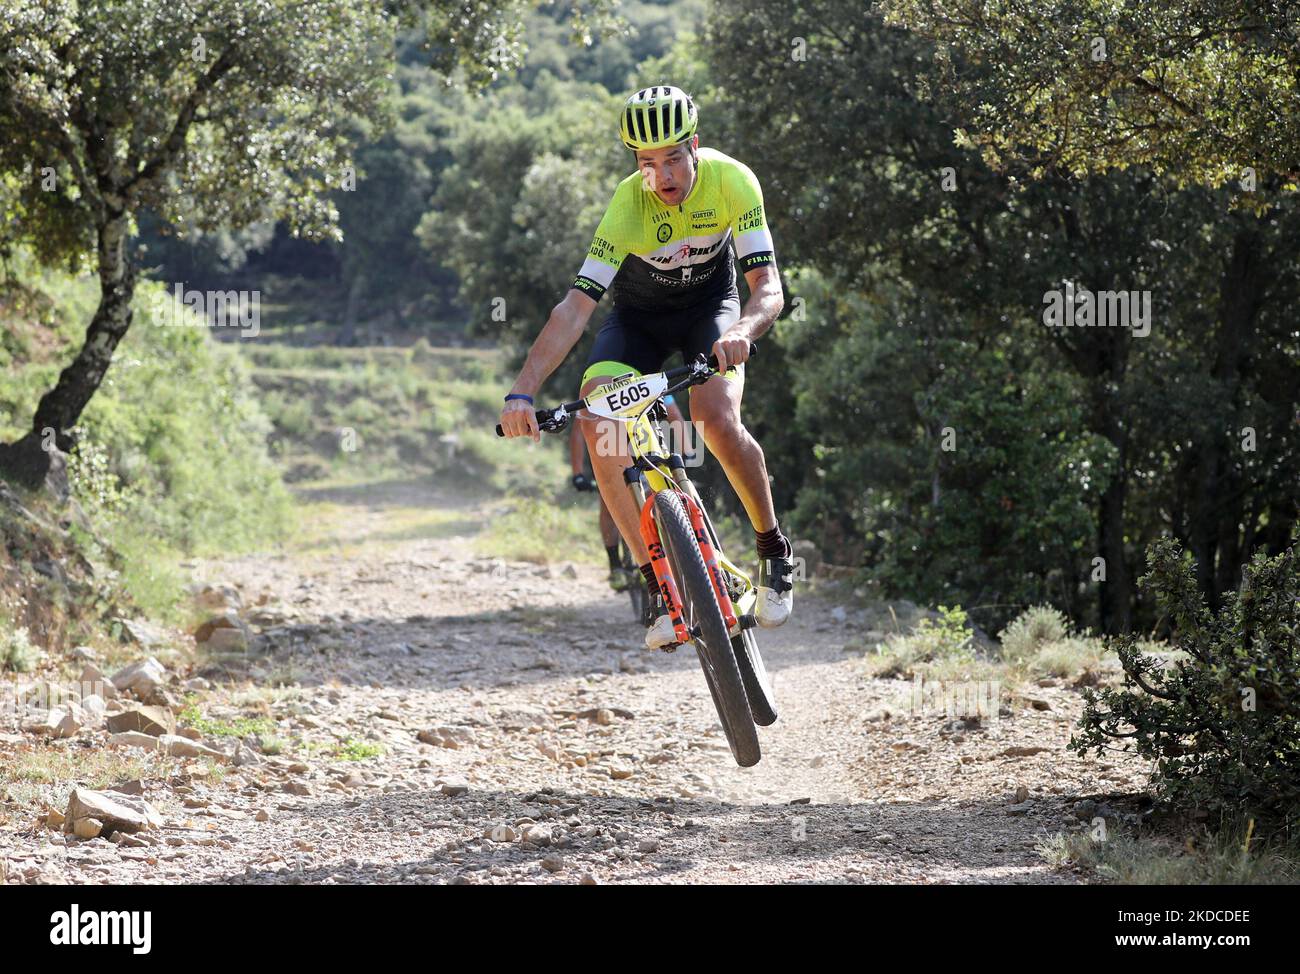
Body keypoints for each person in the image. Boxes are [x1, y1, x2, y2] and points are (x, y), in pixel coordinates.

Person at [499, 85, 794, 649]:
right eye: (647, 163)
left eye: (673, 159)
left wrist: (741, 332)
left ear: (695, 148)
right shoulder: (626, 206)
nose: (662, 177)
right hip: (637, 322)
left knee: (712, 418)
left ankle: (773, 549)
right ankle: (655, 583)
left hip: (712, 313)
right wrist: (522, 392)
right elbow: (575, 309)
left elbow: (769, 288)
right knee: (599, 420)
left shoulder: (734, 181)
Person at [569, 394, 688, 593]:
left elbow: (675, 417)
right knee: (609, 503)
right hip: (614, 449)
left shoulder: (648, 378)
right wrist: (578, 473)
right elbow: (579, 433)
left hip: (646, 450)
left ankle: (665, 555)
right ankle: (615, 564)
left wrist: (685, 452)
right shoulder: (597, 389)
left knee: (657, 497)